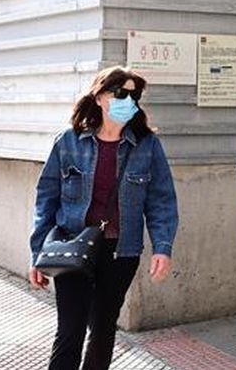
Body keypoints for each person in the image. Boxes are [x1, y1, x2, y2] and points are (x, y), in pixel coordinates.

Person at [29, 66, 179, 370]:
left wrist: (162, 247)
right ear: (99, 97)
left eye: (133, 95)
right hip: (72, 248)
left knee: (103, 328)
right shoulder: (68, 142)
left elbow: (161, 200)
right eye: (120, 93)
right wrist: (36, 253)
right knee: (70, 329)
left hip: (120, 251)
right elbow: (46, 200)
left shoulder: (147, 145)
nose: (128, 100)